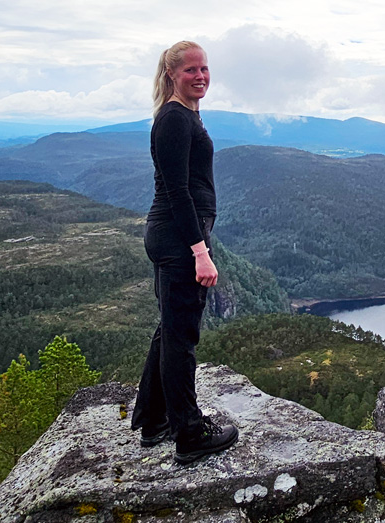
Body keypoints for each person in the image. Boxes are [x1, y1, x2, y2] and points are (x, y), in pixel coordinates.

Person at [130, 40, 240, 465]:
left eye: (205, 69)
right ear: (172, 74)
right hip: (179, 240)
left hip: (174, 237)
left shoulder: (184, 115)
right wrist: (200, 251)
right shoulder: (174, 119)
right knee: (182, 337)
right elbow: (177, 192)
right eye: (191, 70)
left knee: (170, 329)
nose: (201, 76)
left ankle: (153, 419)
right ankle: (189, 433)